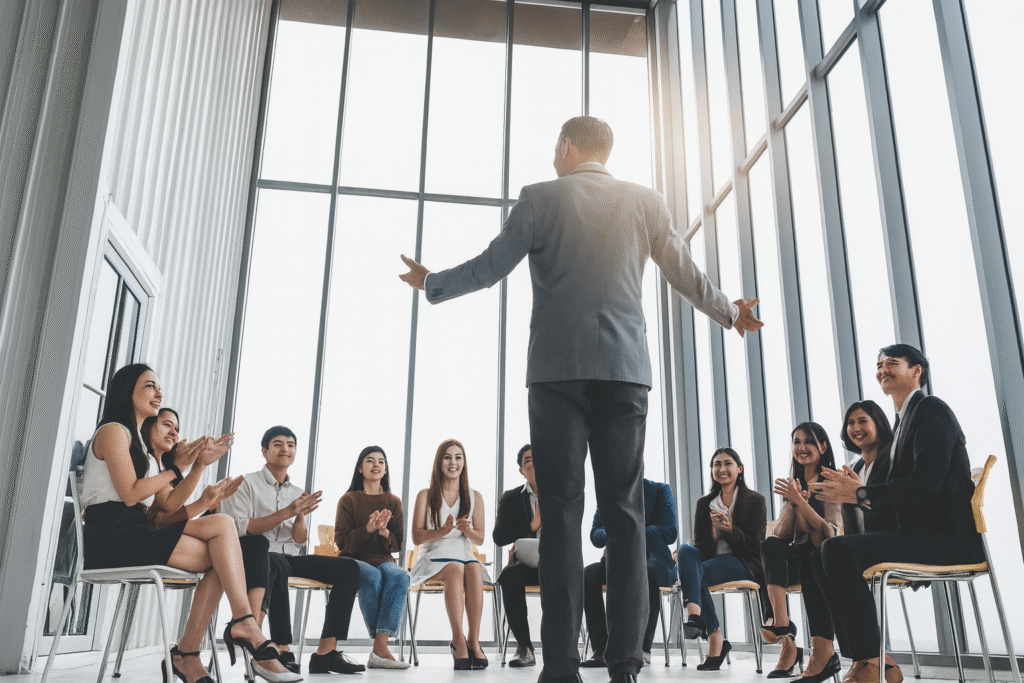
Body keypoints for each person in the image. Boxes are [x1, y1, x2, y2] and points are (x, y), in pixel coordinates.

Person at [399, 116, 762, 683]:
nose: (552, 157)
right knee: (625, 514)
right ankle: (625, 665)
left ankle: (561, 668)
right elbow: (681, 271)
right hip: (624, 373)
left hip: (556, 376)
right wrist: (730, 313)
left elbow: (490, 268)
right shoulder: (646, 200)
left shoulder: (540, 199)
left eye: (554, 148)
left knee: (563, 517)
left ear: (567, 147)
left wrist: (431, 284)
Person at [81, 364, 289, 683]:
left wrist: (196, 467)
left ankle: (224, 633)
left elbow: (169, 503)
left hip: (140, 527)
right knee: (227, 555)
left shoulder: (144, 451)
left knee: (223, 530)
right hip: (110, 535)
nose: (159, 393)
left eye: (159, 388)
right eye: (150, 386)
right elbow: (129, 492)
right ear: (127, 390)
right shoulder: (112, 431)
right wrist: (177, 468)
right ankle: (211, 641)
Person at [812, 344, 984, 683]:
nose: (882, 369)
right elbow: (894, 501)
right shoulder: (903, 422)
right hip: (917, 536)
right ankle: (873, 660)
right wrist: (855, 494)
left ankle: (869, 661)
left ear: (916, 370)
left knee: (834, 551)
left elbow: (926, 486)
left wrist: (860, 492)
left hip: (946, 540)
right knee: (822, 555)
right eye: (878, 365)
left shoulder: (931, 410)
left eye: (892, 363)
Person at [140, 409, 297, 682]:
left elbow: (166, 515)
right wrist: (196, 484)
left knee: (227, 551)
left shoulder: (161, 467)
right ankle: (245, 623)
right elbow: (158, 517)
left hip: (156, 531)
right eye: (167, 425)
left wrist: (203, 492)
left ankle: (189, 652)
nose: (176, 433)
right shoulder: (147, 462)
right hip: (137, 536)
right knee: (227, 533)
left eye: (177, 427)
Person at [220, 426, 363, 675]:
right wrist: (288, 511)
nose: (285, 449)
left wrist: (299, 517)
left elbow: (299, 540)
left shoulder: (297, 493)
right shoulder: (245, 483)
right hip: (256, 557)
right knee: (275, 561)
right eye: (277, 444)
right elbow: (240, 529)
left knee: (349, 567)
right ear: (264, 451)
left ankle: (326, 653)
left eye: (291, 444)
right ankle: (276, 646)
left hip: (289, 557)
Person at [760, 423, 840, 679]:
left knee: (808, 562)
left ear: (823, 446)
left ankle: (805, 649)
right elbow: (783, 535)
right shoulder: (793, 483)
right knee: (769, 546)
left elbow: (829, 533)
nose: (801, 447)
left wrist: (801, 503)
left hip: (822, 557)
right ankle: (783, 625)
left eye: (808, 441)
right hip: (796, 557)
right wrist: (793, 503)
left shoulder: (831, 482)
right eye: (796, 441)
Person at [676, 447, 766, 671]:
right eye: (717, 464)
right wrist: (714, 535)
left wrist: (728, 529)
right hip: (712, 561)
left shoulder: (755, 500)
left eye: (727, 463)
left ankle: (713, 637)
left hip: (743, 563)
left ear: (739, 468)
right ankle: (695, 617)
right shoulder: (704, 504)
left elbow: (755, 546)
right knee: (686, 550)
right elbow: (702, 547)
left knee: (698, 573)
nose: (722, 468)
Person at [409, 438, 490, 671]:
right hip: (434, 556)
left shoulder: (476, 497)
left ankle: (473, 640)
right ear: (439, 462)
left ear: (463, 463)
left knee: (473, 568)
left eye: (458, 457)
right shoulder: (425, 495)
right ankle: (457, 640)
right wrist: (442, 531)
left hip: (465, 554)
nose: (453, 462)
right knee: (456, 569)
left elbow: (480, 539)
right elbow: (416, 537)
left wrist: (468, 530)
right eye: (447, 457)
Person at [581, 478, 677, 669]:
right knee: (589, 575)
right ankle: (601, 651)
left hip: (653, 560)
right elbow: (595, 533)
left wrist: (632, 530)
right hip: (615, 560)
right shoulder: (608, 493)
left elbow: (670, 531)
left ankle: (641, 649)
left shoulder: (660, 490)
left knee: (648, 574)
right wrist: (612, 533)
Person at [333, 446, 411, 669]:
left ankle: (380, 646)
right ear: (360, 468)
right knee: (373, 577)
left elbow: (397, 544)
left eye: (381, 462)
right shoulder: (348, 500)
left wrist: (384, 531)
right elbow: (342, 542)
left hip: (383, 558)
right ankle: (381, 651)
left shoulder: (393, 501)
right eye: (370, 461)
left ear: (385, 470)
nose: (376, 465)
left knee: (400, 577)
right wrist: (368, 527)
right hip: (352, 559)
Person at [493, 444, 542, 668]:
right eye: (528, 460)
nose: (534, 462)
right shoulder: (511, 498)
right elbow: (499, 536)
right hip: (526, 562)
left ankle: (558, 646)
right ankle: (525, 647)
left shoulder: (562, 495)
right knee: (508, 576)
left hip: (556, 563)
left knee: (563, 576)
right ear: (522, 470)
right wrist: (532, 525)